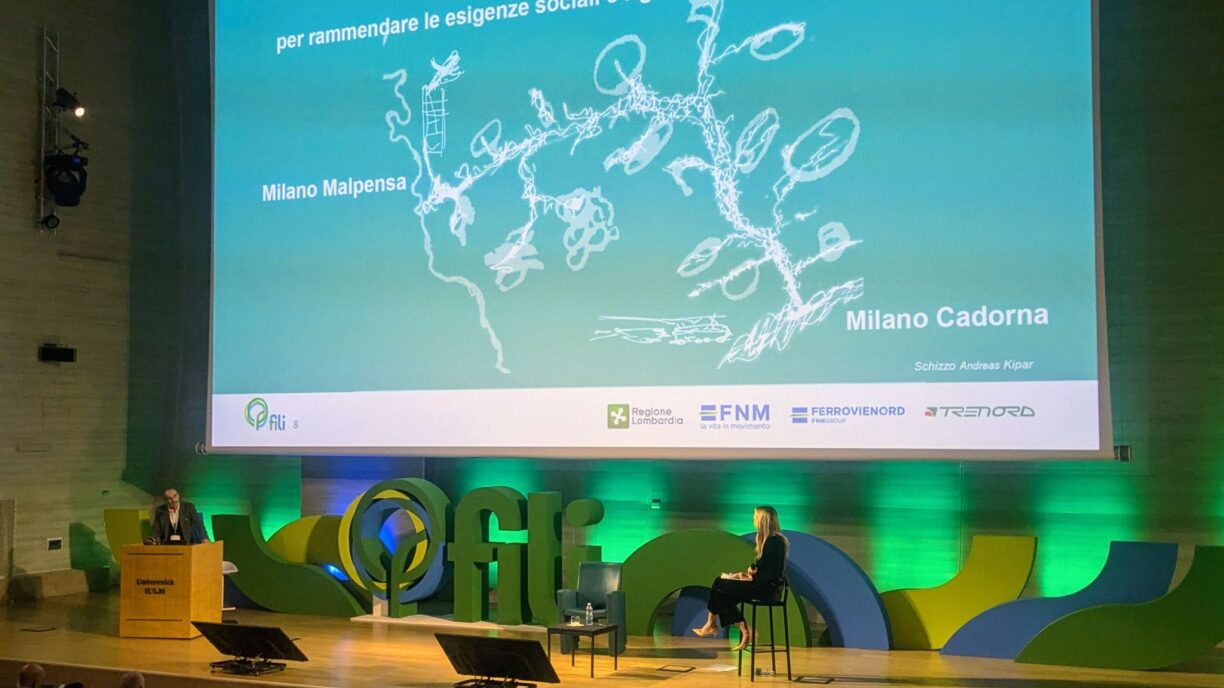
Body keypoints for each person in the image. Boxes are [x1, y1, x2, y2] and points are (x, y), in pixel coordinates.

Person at [692, 505, 789, 651]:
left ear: (762, 520)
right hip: (763, 585)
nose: (753, 520)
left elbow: (770, 574)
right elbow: (765, 569)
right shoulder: (771, 541)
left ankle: (728, 627)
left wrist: (749, 576)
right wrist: (747, 574)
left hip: (766, 590)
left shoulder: (773, 542)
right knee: (721, 592)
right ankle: (730, 627)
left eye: (755, 517)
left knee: (719, 585)